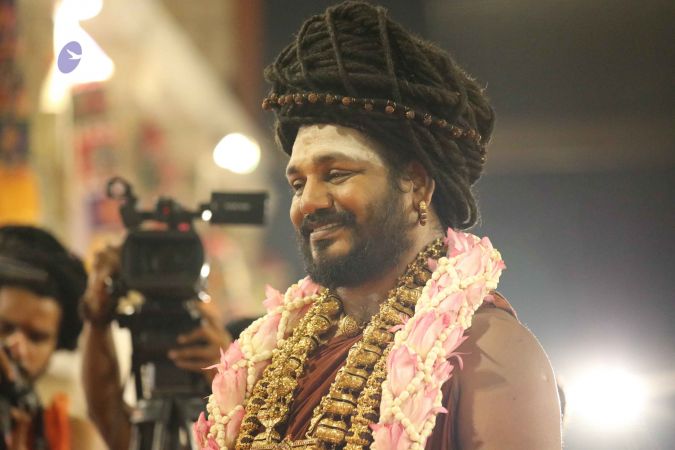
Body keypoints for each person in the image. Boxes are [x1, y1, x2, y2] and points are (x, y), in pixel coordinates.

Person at [194, 2, 561, 450]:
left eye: (336, 174)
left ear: (416, 184)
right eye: (297, 183)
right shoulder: (268, 358)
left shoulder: (491, 353)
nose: (308, 202)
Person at [80, 244, 250, 450]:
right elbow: (111, 421)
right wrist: (98, 317)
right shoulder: (217, 337)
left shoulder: (247, 339)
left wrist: (229, 378)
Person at [0, 225, 105, 449]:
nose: (17, 347)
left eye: (36, 337)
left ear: (56, 344)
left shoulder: (73, 439)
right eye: (5, 328)